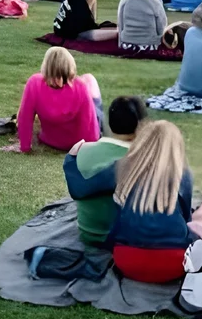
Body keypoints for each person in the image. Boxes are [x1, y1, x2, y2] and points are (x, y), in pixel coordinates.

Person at [106, 120, 202, 283]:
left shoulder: (125, 170)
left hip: (126, 261)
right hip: (174, 264)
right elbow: (187, 219)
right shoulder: (183, 175)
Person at [61, 95, 147, 255]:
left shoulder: (82, 151)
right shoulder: (143, 159)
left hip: (88, 233)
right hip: (126, 240)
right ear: (141, 125)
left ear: (110, 122)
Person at [13, 46, 102, 153]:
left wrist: (25, 147)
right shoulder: (80, 87)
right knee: (89, 78)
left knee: (87, 81)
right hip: (78, 144)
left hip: (51, 141)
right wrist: (86, 150)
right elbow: (90, 124)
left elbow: (25, 117)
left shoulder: (34, 83)